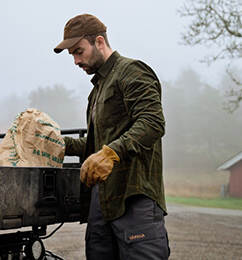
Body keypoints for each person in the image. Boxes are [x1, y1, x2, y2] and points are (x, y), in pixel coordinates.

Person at [53, 14, 170, 259]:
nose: (75, 61)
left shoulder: (132, 72)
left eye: (79, 51)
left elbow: (152, 122)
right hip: (102, 204)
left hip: (133, 198)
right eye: (72, 55)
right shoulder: (97, 91)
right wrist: (58, 144)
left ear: (99, 42)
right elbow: (98, 145)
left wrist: (111, 152)